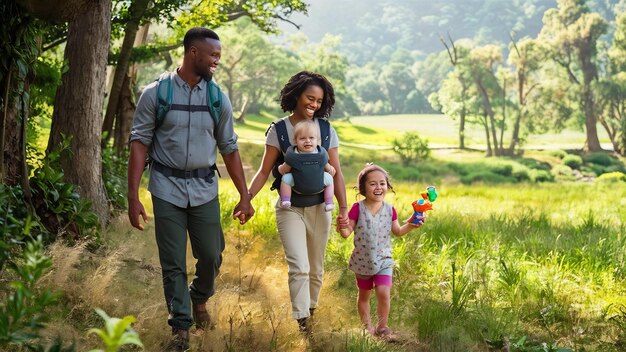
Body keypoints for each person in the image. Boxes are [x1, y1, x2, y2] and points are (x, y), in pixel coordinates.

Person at [127, 27, 254, 350]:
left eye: (219, 56)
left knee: (211, 255)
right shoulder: (156, 94)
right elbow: (140, 144)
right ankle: (180, 327)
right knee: (173, 261)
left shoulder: (217, 98)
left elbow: (229, 148)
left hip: (204, 188)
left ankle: (199, 299)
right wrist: (133, 196)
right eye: (213, 55)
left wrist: (244, 195)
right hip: (165, 187)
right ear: (192, 53)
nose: (216, 62)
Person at [247, 71, 348, 334]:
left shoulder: (326, 131)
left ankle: (311, 310)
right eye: (309, 98)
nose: (314, 104)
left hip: (320, 207)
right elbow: (262, 171)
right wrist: (246, 200)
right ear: (296, 95)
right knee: (299, 266)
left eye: (318, 100)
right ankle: (302, 321)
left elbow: (336, 172)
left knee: (316, 266)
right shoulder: (279, 130)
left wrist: (344, 210)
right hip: (289, 207)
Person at [337, 164, 423, 339]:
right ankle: (367, 328)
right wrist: (342, 226)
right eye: (373, 184)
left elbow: (398, 231)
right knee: (364, 296)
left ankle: (382, 328)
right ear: (363, 188)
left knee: (384, 292)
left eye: (382, 183)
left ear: (387, 187)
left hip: (384, 259)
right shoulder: (357, 208)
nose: (378, 187)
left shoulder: (390, 210)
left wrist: (411, 225)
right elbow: (347, 233)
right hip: (363, 261)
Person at [278, 119, 336, 211]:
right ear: (295, 141)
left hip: (318, 184)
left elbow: (327, 167)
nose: (307, 141)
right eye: (302, 138)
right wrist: (281, 168)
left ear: (317, 140)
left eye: (311, 138)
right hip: (298, 185)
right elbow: (285, 169)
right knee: (286, 179)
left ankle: (329, 202)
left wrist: (331, 169)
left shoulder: (321, 154)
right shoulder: (293, 155)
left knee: (329, 178)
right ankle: (286, 200)